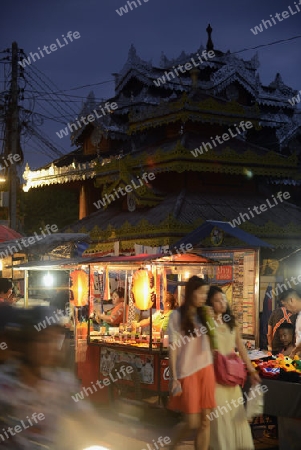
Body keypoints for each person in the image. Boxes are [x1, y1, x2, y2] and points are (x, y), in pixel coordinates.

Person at [206, 286, 261, 450]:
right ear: (210, 302)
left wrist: (251, 370)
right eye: (217, 300)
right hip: (215, 379)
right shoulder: (207, 323)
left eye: (223, 299)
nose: (222, 303)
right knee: (220, 419)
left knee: (235, 418)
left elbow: (241, 348)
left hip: (231, 378)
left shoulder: (232, 323)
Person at [167, 276, 216, 450]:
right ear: (191, 292)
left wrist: (213, 321)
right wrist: (174, 377)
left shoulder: (205, 314)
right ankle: (171, 444)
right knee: (192, 421)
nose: (204, 297)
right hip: (187, 372)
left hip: (206, 369)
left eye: (206, 293)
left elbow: (213, 344)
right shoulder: (177, 315)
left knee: (205, 422)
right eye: (201, 292)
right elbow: (173, 348)